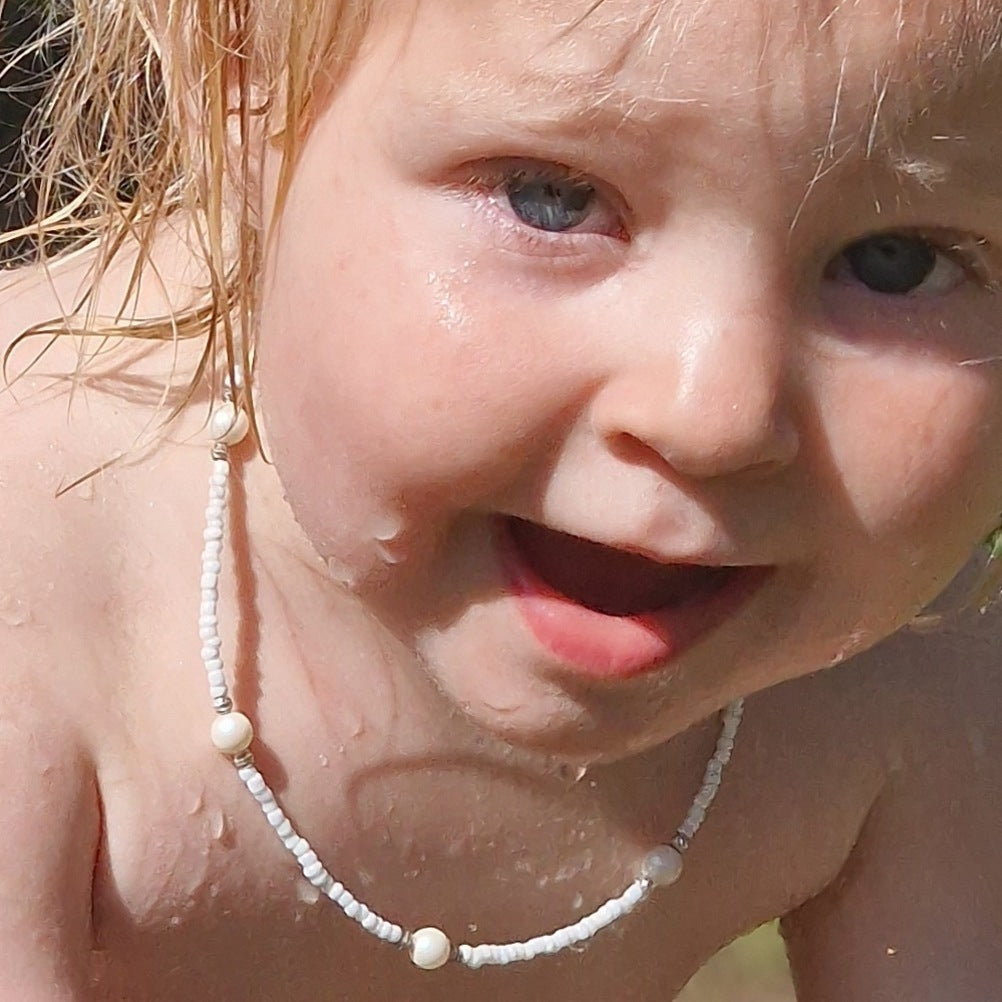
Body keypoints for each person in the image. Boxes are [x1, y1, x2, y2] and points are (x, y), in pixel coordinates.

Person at [1, 0, 999, 999]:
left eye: (897, 260)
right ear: (239, 86)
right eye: (551, 198)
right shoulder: (41, 573)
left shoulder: (908, 661)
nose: (717, 415)